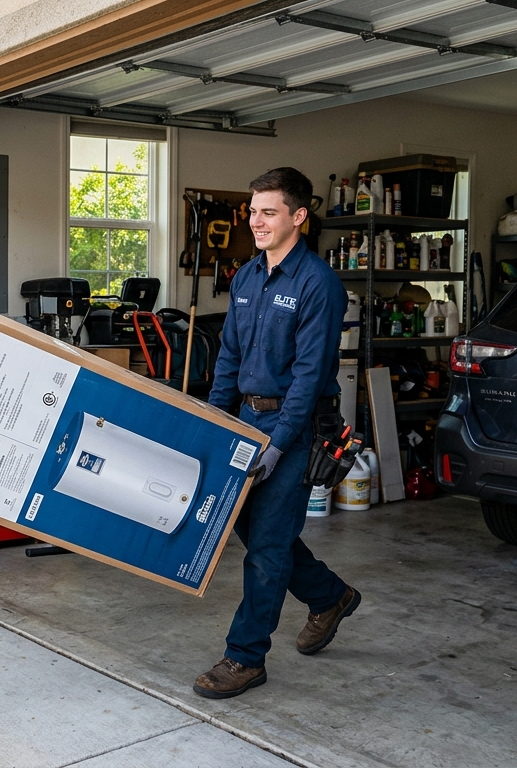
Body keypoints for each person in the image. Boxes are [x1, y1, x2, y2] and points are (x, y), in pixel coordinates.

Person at [194, 167, 361, 699]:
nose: (256, 221)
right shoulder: (246, 278)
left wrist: (279, 444)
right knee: (252, 529)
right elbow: (229, 358)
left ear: (299, 217)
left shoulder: (319, 284)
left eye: (269, 212)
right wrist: (216, 422)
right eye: (253, 212)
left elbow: (310, 378)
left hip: (296, 425)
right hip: (246, 417)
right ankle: (329, 596)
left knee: (267, 544)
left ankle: (244, 658)